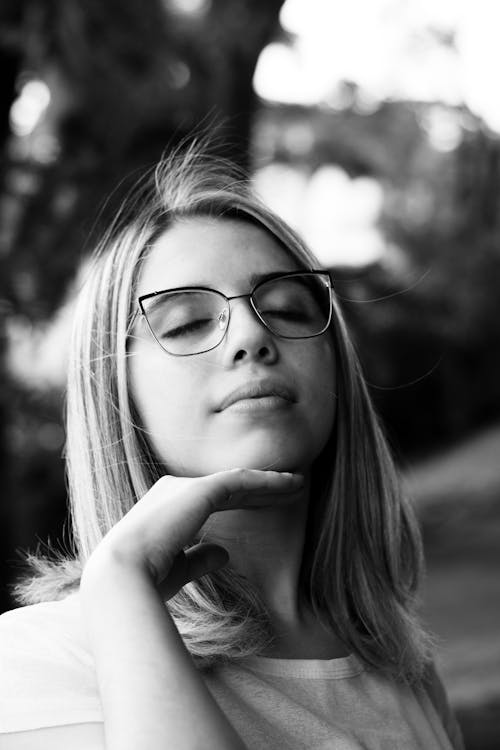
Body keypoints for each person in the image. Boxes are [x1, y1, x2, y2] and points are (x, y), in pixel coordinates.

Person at [0, 145, 464, 749]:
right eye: (187, 323)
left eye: (286, 309)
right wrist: (121, 584)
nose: (251, 335)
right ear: (115, 394)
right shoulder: (41, 659)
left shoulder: (402, 666)